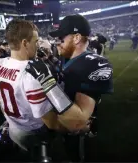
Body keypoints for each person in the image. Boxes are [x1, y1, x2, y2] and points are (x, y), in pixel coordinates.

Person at [0, 19, 91, 152]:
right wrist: (74, 129)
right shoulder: (31, 74)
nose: (38, 46)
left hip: (14, 127)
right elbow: (51, 122)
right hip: (33, 131)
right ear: (25, 43)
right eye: (36, 42)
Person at [45, 14, 114, 161]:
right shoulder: (66, 57)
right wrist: (48, 60)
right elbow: (64, 73)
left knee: (77, 156)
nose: (57, 43)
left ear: (76, 38)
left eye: (61, 38)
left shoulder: (94, 64)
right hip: (64, 119)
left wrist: (46, 83)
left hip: (77, 130)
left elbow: (79, 121)